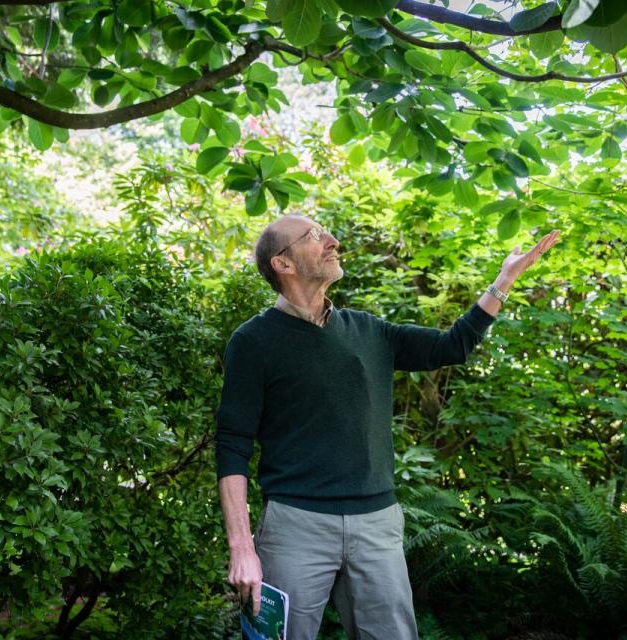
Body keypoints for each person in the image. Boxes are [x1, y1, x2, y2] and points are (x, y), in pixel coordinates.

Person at [216, 214, 559, 639]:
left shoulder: (369, 330)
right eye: (314, 236)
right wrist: (242, 548)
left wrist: (504, 280)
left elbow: (452, 346)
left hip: (377, 525)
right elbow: (232, 445)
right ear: (282, 264)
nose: (333, 241)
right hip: (295, 528)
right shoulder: (252, 342)